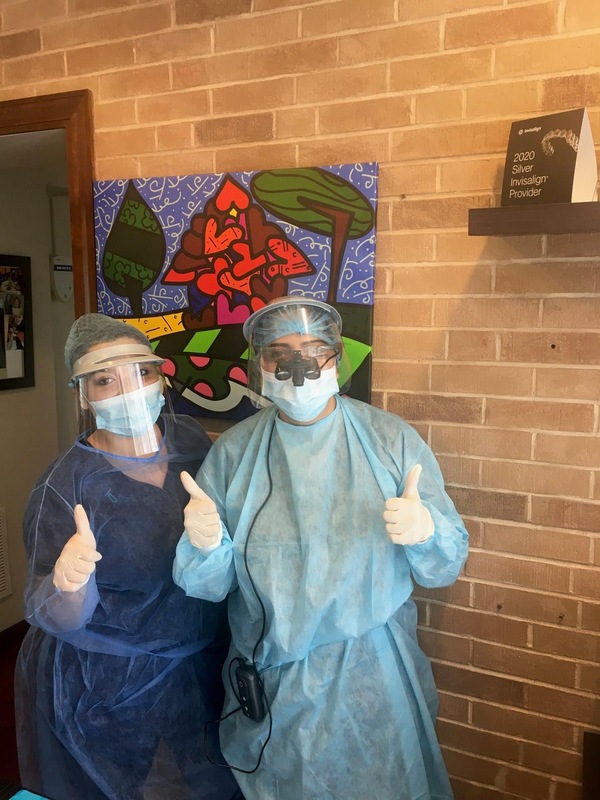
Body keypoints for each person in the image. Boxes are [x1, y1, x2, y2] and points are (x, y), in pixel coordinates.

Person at [173, 296, 469, 800]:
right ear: (259, 364)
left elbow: (444, 566)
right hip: (272, 678)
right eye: (280, 352)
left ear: (337, 358)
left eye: (313, 350)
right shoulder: (234, 454)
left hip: (370, 672)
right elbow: (212, 584)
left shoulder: (388, 440)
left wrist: (427, 532)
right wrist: (205, 547)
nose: (298, 366)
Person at [15, 313, 241, 800]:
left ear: (162, 376)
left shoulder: (192, 446)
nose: (129, 389)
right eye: (104, 379)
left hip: (201, 668)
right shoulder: (65, 486)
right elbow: (57, 615)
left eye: (142, 372)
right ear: (83, 394)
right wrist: (69, 584)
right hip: (107, 689)